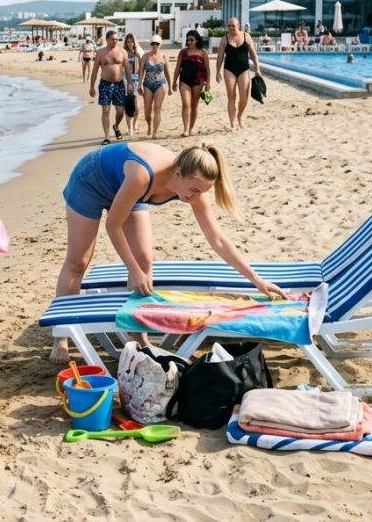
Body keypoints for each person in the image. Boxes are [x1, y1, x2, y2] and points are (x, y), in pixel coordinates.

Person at [48, 142, 286, 363]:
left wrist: (256, 279)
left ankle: (138, 335)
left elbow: (218, 240)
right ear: (177, 173)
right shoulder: (142, 175)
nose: (195, 197)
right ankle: (61, 336)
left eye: (202, 192)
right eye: (193, 189)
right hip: (92, 180)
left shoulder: (194, 188)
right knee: (78, 261)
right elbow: (113, 225)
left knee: (144, 260)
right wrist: (132, 270)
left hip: (129, 190)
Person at [214, 17, 262, 132]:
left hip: (244, 69)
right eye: (229, 26)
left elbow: (254, 54)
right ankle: (232, 123)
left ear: (238, 26)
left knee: (244, 97)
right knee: (231, 97)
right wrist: (217, 71)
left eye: (233, 26)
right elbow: (220, 56)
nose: (230, 28)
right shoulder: (225, 39)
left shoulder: (246, 37)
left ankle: (239, 115)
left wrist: (257, 69)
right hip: (229, 70)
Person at [90, 30, 129, 145]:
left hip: (119, 84)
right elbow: (95, 70)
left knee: (120, 111)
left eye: (116, 39)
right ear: (107, 39)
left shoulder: (122, 52)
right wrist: (92, 86)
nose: (115, 41)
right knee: (105, 110)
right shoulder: (100, 52)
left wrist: (130, 83)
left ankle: (116, 126)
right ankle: (107, 137)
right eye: (113, 39)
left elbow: (127, 69)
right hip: (105, 84)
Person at [171, 30, 210, 137]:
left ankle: (191, 128)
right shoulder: (183, 53)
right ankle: (186, 129)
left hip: (198, 81)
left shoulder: (203, 53)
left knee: (194, 106)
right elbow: (178, 68)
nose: (189, 42)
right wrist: (174, 81)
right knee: (186, 104)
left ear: (197, 40)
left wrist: (208, 84)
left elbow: (207, 70)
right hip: (184, 81)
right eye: (188, 40)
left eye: (191, 40)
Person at [140, 35, 172, 140]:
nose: (155, 45)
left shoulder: (163, 56)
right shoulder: (145, 56)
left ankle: (155, 132)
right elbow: (141, 72)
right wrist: (139, 83)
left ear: (160, 45)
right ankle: (149, 124)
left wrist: (170, 86)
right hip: (147, 84)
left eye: (157, 44)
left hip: (160, 83)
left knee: (157, 108)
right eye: (153, 43)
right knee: (147, 109)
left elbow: (167, 73)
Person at [123, 33, 144, 136]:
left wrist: (141, 82)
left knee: (136, 106)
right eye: (128, 42)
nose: (130, 44)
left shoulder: (138, 52)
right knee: (128, 105)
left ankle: (135, 123)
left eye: (132, 41)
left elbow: (142, 67)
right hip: (126, 80)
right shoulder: (124, 53)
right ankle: (130, 127)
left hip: (136, 80)